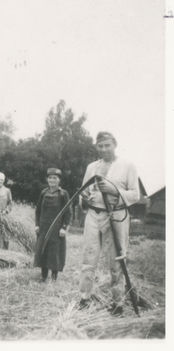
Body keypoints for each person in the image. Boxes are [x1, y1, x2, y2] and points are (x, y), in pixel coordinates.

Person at [78, 132, 140, 315]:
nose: (103, 149)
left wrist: (114, 190)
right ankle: (84, 298)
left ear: (115, 145)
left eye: (107, 145)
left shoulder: (127, 166)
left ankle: (117, 303)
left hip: (115, 216)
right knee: (88, 258)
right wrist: (85, 198)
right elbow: (83, 191)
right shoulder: (92, 167)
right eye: (100, 146)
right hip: (93, 215)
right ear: (96, 147)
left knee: (116, 260)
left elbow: (136, 195)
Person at [33, 168, 71, 282]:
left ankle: (54, 278)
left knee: (55, 252)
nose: (52, 180)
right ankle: (44, 277)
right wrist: (37, 225)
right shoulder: (44, 192)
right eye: (50, 178)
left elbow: (68, 213)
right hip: (43, 227)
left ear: (59, 180)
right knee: (43, 250)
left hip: (56, 228)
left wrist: (64, 228)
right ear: (47, 179)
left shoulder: (63, 194)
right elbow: (38, 210)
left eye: (55, 178)